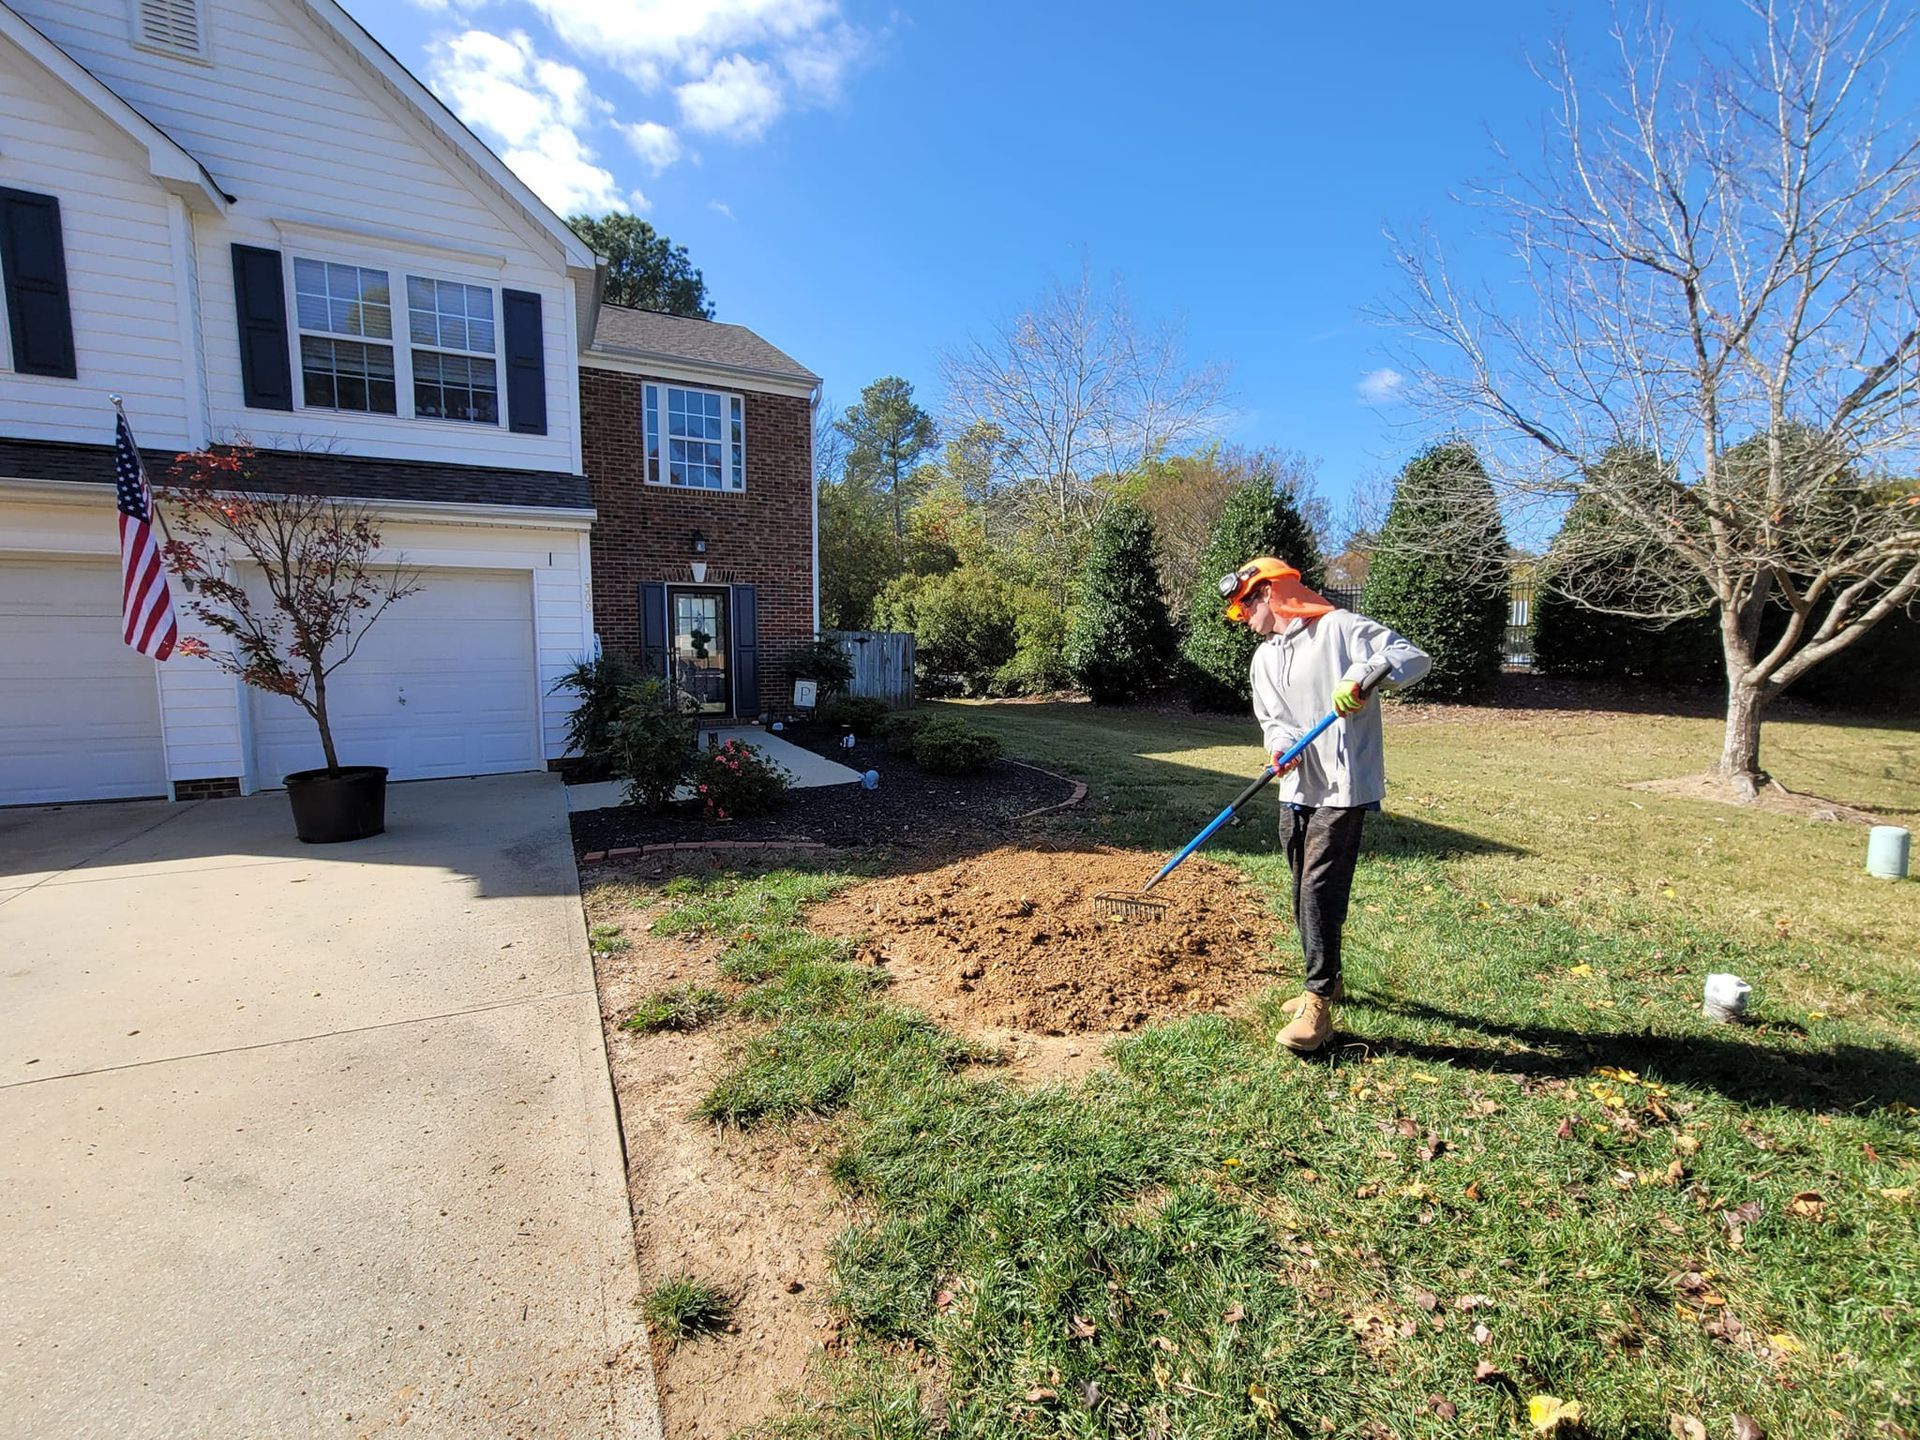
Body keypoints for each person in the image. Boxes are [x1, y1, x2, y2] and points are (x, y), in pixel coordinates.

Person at [1217, 557, 1431, 1054]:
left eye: (1245, 604)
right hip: (1296, 787)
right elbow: (1272, 719)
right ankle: (1327, 979)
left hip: (1343, 784)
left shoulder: (1339, 629)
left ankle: (1318, 1005)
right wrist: (1278, 747)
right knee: (1300, 881)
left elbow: (1411, 656)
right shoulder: (1264, 658)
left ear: (1270, 593)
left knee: (1319, 884)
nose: (1242, 616)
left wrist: (1360, 677)